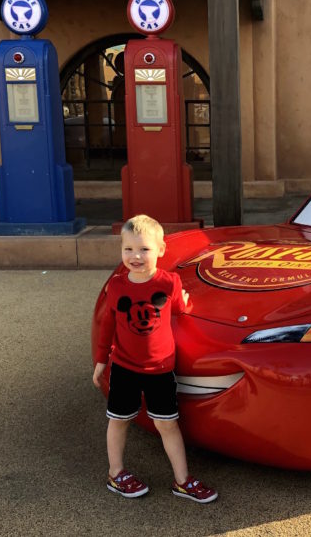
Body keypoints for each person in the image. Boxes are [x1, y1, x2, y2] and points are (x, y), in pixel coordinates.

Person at [92, 214, 218, 503]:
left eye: (144, 249)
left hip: (161, 369)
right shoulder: (117, 286)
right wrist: (101, 361)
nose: (136, 256)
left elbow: (181, 307)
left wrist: (185, 302)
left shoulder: (169, 282)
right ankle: (116, 472)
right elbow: (108, 328)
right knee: (119, 420)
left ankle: (183, 480)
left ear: (161, 249)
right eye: (128, 249)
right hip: (124, 368)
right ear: (121, 249)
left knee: (167, 423)